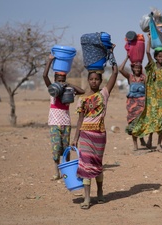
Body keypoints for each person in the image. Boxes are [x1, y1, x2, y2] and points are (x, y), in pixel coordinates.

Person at [71, 46, 118, 210]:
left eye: (97, 79)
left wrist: (111, 54)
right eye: (91, 79)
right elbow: (80, 119)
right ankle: (86, 199)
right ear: (88, 80)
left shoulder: (104, 93)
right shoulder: (82, 99)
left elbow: (115, 72)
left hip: (99, 135)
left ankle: (100, 191)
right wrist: (75, 138)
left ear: (100, 81)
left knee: (97, 165)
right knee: (85, 165)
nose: (94, 82)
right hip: (85, 134)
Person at [132, 33, 162, 152]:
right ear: (155, 57)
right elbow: (148, 52)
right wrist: (149, 40)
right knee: (152, 119)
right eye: (159, 56)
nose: (161, 58)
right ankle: (149, 139)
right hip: (151, 98)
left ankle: (159, 144)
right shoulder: (152, 66)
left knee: (161, 120)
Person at [43, 54, 85, 181]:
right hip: (54, 123)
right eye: (59, 80)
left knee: (66, 149)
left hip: (66, 123)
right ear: (55, 80)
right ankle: (57, 173)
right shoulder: (53, 90)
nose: (61, 82)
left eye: (63, 79)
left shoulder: (68, 90)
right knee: (56, 149)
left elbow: (82, 91)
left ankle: (66, 173)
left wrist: (69, 84)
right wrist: (50, 61)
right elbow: (44, 76)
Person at [119, 55, 147, 151]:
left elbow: (148, 90)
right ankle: (135, 145)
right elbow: (120, 69)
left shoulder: (144, 78)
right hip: (131, 105)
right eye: (135, 67)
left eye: (139, 68)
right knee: (132, 123)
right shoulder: (130, 77)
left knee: (141, 122)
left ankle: (142, 138)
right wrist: (127, 57)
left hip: (142, 104)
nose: (137, 69)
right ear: (133, 68)